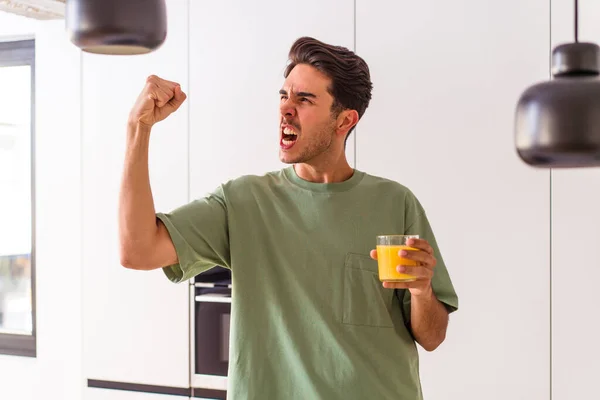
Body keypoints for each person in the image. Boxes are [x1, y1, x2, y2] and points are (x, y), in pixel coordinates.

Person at [119, 36, 459, 400]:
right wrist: (138, 128)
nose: (285, 109)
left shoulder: (395, 203)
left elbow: (432, 336)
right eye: (284, 96)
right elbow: (138, 250)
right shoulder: (243, 202)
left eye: (304, 99)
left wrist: (422, 291)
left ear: (345, 120)